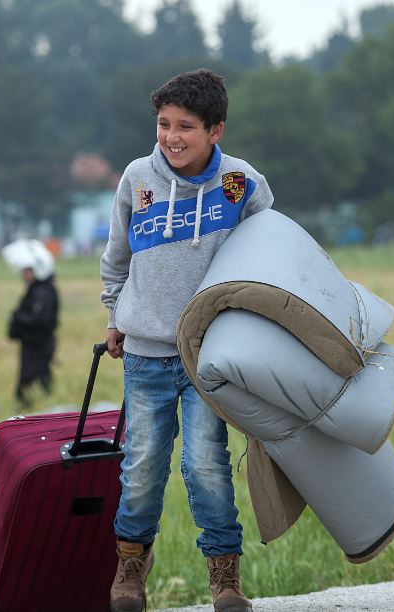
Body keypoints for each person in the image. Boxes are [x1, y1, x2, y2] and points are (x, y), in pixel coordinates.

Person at [99, 69, 274, 612]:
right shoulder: (137, 178)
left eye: (186, 127)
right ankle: (131, 563)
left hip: (209, 356)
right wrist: (114, 314)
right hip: (146, 354)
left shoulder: (241, 184)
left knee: (205, 464)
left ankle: (224, 576)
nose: (172, 137)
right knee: (143, 464)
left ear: (216, 130)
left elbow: (270, 258)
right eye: (164, 125)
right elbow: (117, 258)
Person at [3, 239, 60, 403]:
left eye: (28, 270)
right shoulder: (37, 290)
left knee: (33, 382)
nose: (25, 274)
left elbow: (41, 320)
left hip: (38, 346)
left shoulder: (43, 292)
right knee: (36, 381)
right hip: (31, 345)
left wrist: (18, 319)